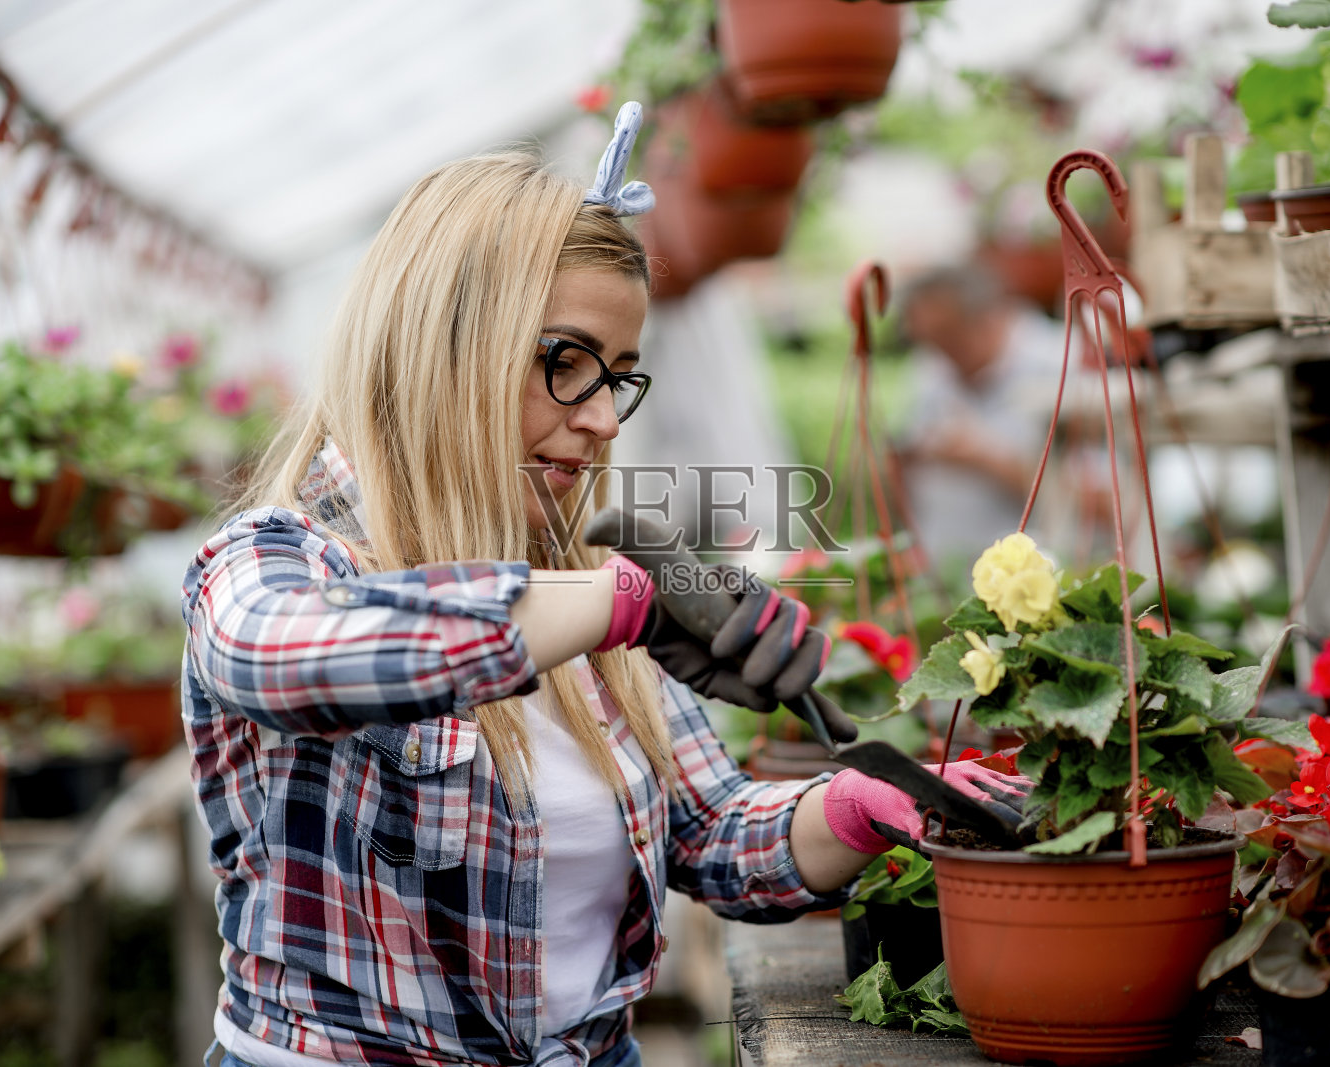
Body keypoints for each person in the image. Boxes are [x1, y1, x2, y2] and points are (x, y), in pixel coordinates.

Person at [181, 105, 1026, 1067]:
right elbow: (280, 656)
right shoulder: (277, 560)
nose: (604, 420)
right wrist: (620, 602)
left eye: (618, 376)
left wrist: (849, 808)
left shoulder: (576, 577)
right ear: (440, 347)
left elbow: (706, 833)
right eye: (566, 362)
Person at [895, 266, 1064, 562]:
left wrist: (987, 459)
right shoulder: (930, 368)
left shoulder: (1059, 362)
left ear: (988, 318)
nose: (938, 352)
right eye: (927, 339)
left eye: (947, 337)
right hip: (945, 576)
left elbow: (1102, 503)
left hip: (1040, 583)